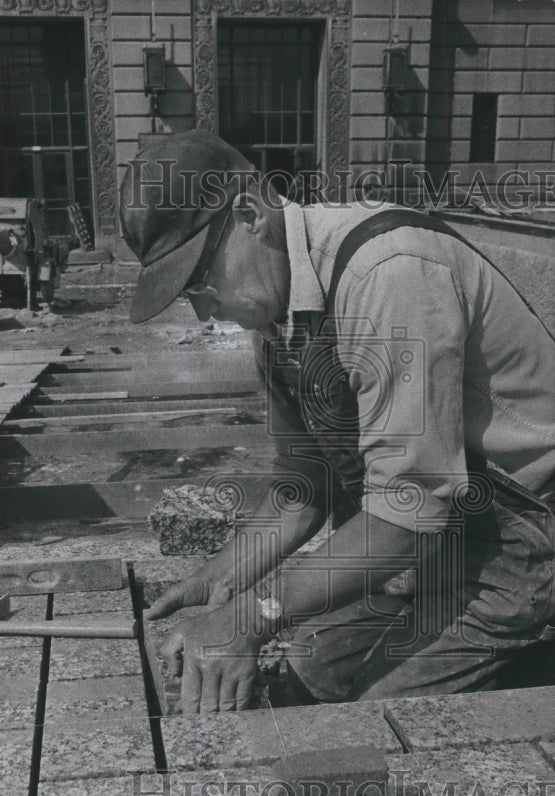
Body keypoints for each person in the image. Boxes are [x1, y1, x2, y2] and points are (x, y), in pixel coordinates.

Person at [119, 129, 555, 714]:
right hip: (422, 545)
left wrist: (252, 618)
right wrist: (221, 578)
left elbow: (409, 503)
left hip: (515, 546)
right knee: (306, 681)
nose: (202, 310)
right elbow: (306, 484)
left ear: (249, 214)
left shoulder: (390, 271)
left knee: (377, 718)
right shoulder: (277, 316)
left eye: (201, 281)